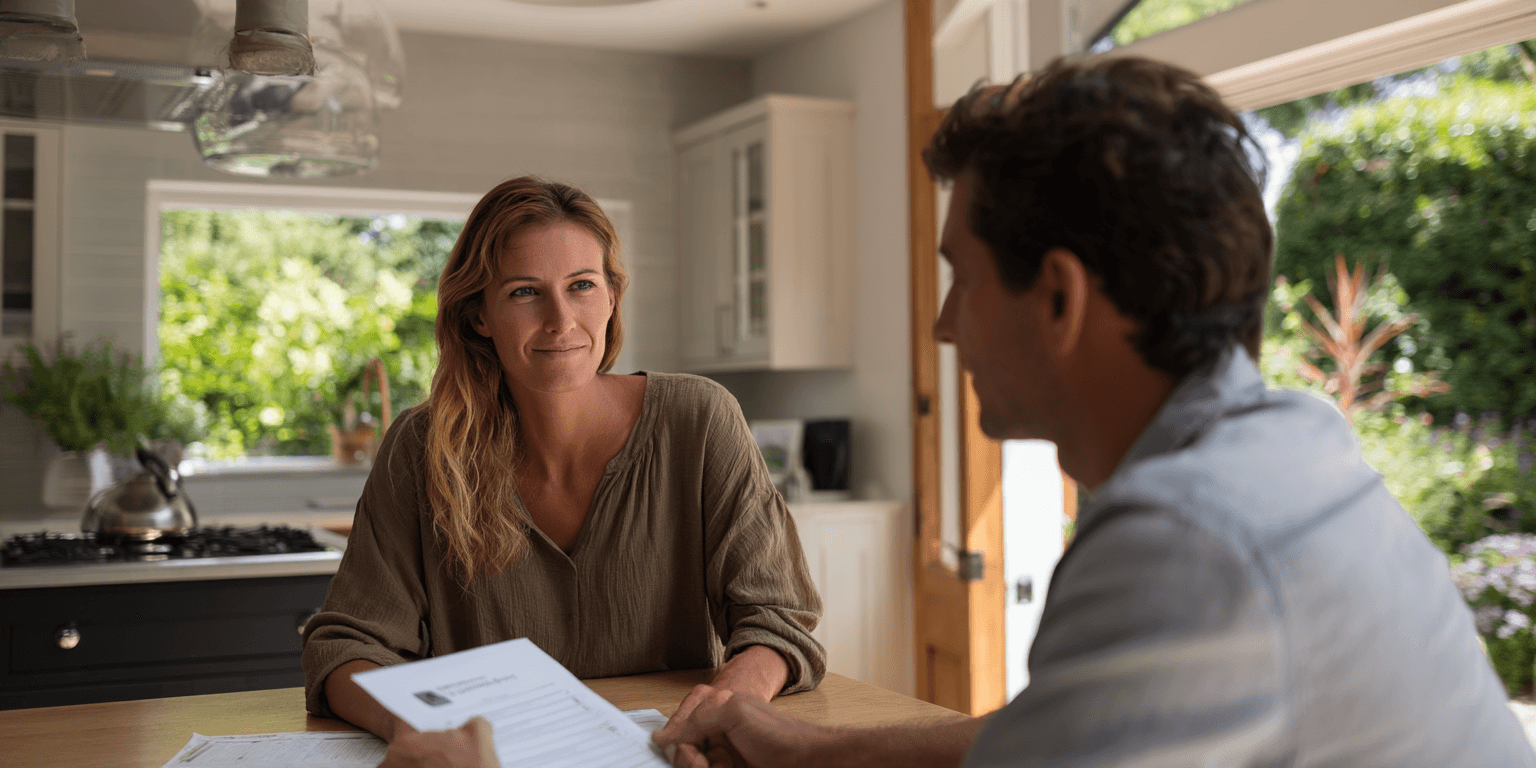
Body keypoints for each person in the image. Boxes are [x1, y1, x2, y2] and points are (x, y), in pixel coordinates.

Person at [647, 55, 1536, 766]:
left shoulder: (1183, 537)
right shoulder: (1292, 445)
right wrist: (817, 751)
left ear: (1060, 300)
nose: (943, 323)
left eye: (964, 277)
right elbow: (1053, 732)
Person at [301, 176, 826, 744]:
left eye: (581, 285)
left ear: (611, 297)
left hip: (667, 754)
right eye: (525, 292)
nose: (560, 320)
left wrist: (722, 707)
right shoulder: (422, 447)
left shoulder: (699, 419)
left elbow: (778, 621)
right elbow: (345, 648)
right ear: (479, 314)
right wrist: (420, 728)